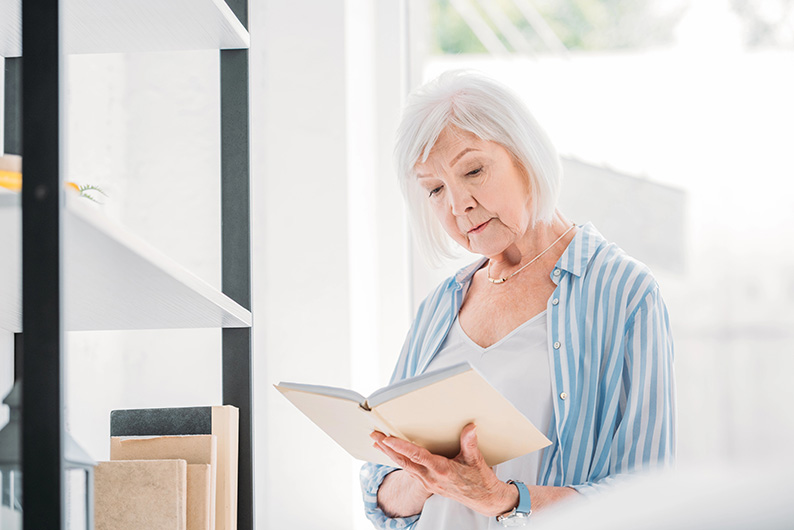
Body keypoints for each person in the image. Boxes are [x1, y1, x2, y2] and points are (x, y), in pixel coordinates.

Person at [359, 70, 676, 529]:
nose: (458, 204)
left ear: (526, 156)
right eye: (435, 188)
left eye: (473, 170)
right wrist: (432, 475)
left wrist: (503, 499)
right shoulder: (439, 308)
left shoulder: (624, 293)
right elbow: (379, 496)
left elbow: (648, 496)